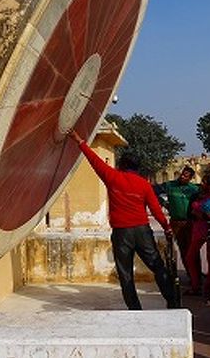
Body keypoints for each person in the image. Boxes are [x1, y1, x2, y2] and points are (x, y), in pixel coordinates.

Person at [67, 130, 176, 310]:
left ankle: (135, 309)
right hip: (142, 231)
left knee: (126, 274)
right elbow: (157, 210)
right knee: (158, 267)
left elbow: (94, 161)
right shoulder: (144, 184)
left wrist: (79, 141)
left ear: (122, 165)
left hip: (122, 233)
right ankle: (171, 300)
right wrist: (167, 228)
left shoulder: (113, 177)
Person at [154, 166, 199, 275]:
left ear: (191, 178)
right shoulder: (170, 186)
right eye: (182, 174)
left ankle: (196, 277)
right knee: (183, 249)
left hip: (190, 223)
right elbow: (153, 191)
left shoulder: (194, 189)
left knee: (193, 250)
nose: (182, 177)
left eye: (186, 176)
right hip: (176, 223)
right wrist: (164, 203)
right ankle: (189, 274)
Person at [185, 176, 210, 296]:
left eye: (205, 182)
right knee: (190, 258)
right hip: (198, 229)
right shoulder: (197, 196)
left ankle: (208, 288)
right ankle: (197, 285)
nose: (202, 183)